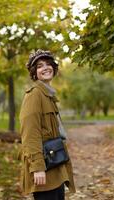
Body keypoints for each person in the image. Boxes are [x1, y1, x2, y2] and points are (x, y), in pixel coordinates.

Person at [19, 49, 76, 200]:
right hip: (44, 167)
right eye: (39, 66)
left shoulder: (48, 95)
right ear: (34, 73)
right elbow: (30, 135)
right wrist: (37, 168)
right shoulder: (34, 95)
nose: (45, 68)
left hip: (55, 164)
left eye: (48, 64)